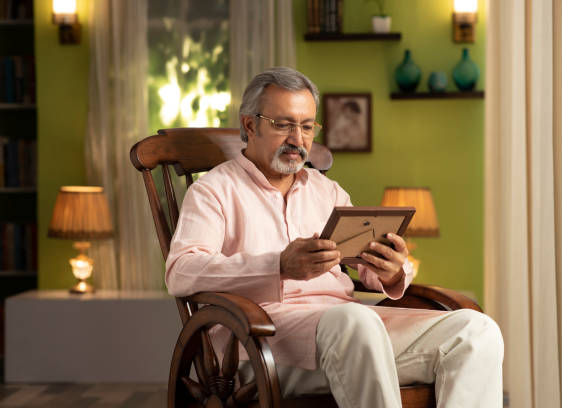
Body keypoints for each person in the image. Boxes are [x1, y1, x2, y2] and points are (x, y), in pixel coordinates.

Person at [165, 67, 504, 407]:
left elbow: (361, 265)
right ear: (250, 125)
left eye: (307, 126)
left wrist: (390, 271)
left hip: (351, 335)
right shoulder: (213, 191)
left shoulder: (328, 191)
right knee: (356, 321)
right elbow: (181, 272)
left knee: (476, 331)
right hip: (261, 342)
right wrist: (278, 265)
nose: (298, 139)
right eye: (283, 124)